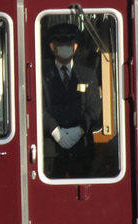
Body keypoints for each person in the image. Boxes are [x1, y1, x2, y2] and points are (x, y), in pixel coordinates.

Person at [42, 22, 102, 178]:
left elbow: (94, 107)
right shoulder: (41, 74)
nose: (65, 47)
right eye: (60, 44)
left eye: (69, 44)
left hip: (81, 148)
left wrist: (80, 129)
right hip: (51, 149)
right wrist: (55, 130)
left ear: (75, 47)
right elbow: (38, 107)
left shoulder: (87, 74)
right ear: (52, 47)